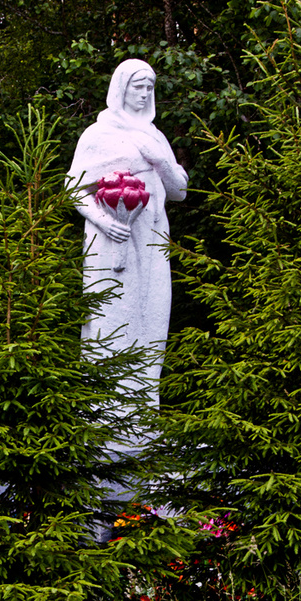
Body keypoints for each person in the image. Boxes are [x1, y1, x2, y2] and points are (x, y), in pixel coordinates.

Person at [67, 59, 188, 410]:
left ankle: (143, 411)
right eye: (139, 85)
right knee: (111, 316)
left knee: (152, 315)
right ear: (121, 89)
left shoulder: (154, 136)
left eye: (150, 86)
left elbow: (179, 190)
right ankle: (105, 412)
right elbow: (73, 188)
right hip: (111, 241)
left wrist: (160, 161)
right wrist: (104, 223)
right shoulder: (98, 135)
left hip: (152, 238)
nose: (145, 93)